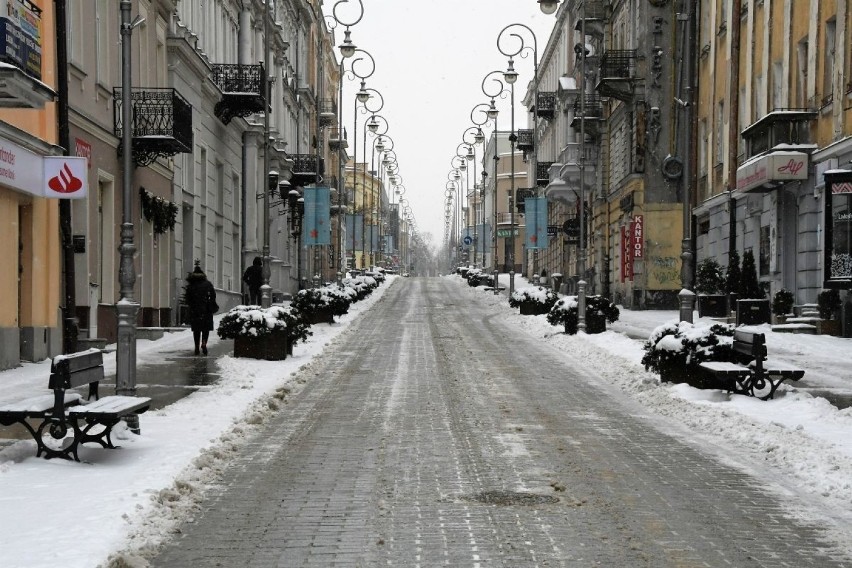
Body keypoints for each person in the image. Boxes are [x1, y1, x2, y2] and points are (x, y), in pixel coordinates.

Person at [185, 264, 217, 355]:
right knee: (205, 329)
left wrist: (192, 305)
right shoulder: (208, 284)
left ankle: (196, 347)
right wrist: (210, 303)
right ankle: (204, 343)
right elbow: (213, 295)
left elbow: (188, 298)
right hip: (206, 310)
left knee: (196, 330)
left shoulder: (191, 285)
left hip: (195, 310)